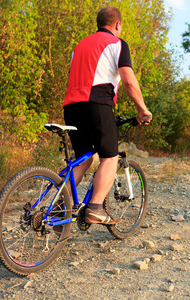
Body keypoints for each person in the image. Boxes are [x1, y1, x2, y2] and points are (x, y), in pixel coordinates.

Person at [63, 6, 152, 225]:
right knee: (110, 157)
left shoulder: (80, 45)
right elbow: (129, 81)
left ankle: (59, 206)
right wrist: (142, 109)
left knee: (82, 159)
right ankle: (95, 208)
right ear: (118, 24)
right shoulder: (117, 44)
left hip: (71, 107)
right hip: (96, 105)